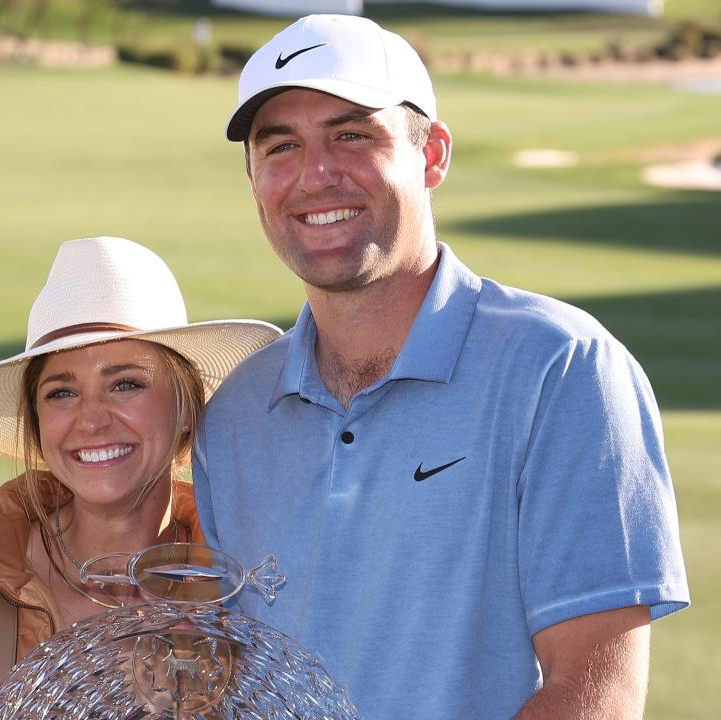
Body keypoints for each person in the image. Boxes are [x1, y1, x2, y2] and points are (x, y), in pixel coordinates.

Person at [192, 14, 689, 720]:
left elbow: (592, 693)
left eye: (352, 135)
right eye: (281, 146)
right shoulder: (236, 413)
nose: (315, 175)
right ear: (254, 181)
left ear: (433, 156)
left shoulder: (561, 369)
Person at [0, 236, 281, 719]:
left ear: (186, 413)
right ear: (37, 424)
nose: (91, 419)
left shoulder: (254, 592)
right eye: (61, 393)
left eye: (125, 384)